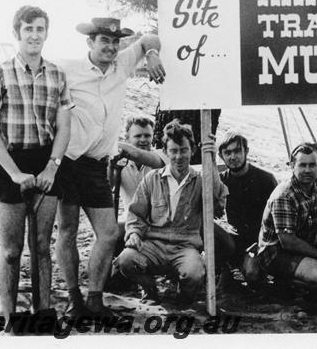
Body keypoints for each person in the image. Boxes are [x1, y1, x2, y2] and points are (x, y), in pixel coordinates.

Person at [56, 17, 165, 318]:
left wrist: (152, 54)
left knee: (106, 233)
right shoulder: (67, 68)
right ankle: (73, 299)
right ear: (90, 42)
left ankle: (95, 299)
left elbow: (149, 38)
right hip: (67, 161)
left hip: (96, 164)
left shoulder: (122, 64)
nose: (111, 47)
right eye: (104, 40)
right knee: (67, 230)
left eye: (116, 41)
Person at [0, 6, 73, 323]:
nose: (34, 35)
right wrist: (14, 172)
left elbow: (64, 127)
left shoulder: (58, 75)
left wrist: (51, 167)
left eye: (40, 29)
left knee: (41, 246)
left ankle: (42, 311)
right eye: (28, 29)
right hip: (10, 161)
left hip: (45, 158)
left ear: (47, 33)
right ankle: (8, 313)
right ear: (17, 33)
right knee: (11, 249)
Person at [116, 120, 227, 305]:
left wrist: (212, 160)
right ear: (166, 152)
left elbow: (218, 206)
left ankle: (184, 297)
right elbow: (137, 213)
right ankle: (150, 291)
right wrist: (134, 233)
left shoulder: (201, 181)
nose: (179, 156)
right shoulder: (152, 179)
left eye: (183, 150)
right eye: (173, 151)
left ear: (192, 151)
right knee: (125, 260)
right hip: (153, 245)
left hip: (185, 247)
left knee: (195, 272)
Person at [251, 143, 317, 299]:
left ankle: (313, 275)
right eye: (302, 165)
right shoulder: (284, 195)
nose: (307, 170)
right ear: (292, 166)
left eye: (312, 165)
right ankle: (287, 282)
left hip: (305, 240)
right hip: (277, 253)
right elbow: (288, 242)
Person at [214, 131, 277, 274]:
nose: (233, 157)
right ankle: (225, 270)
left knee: (251, 274)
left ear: (246, 151)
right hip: (234, 238)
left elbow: (277, 220)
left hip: (261, 241)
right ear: (221, 156)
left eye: (237, 151)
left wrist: (263, 244)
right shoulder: (222, 180)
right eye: (227, 153)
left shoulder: (266, 179)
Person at [109, 115, 166, 257]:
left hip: (159, 219)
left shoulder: (159, 156)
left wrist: (114, 145)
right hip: (131, 218)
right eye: (138, 135)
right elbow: (109, 186)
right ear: (127, 137)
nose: (143, 140)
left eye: (147, 135)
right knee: (109, 233)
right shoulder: (120, 161)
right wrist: (111, 166)